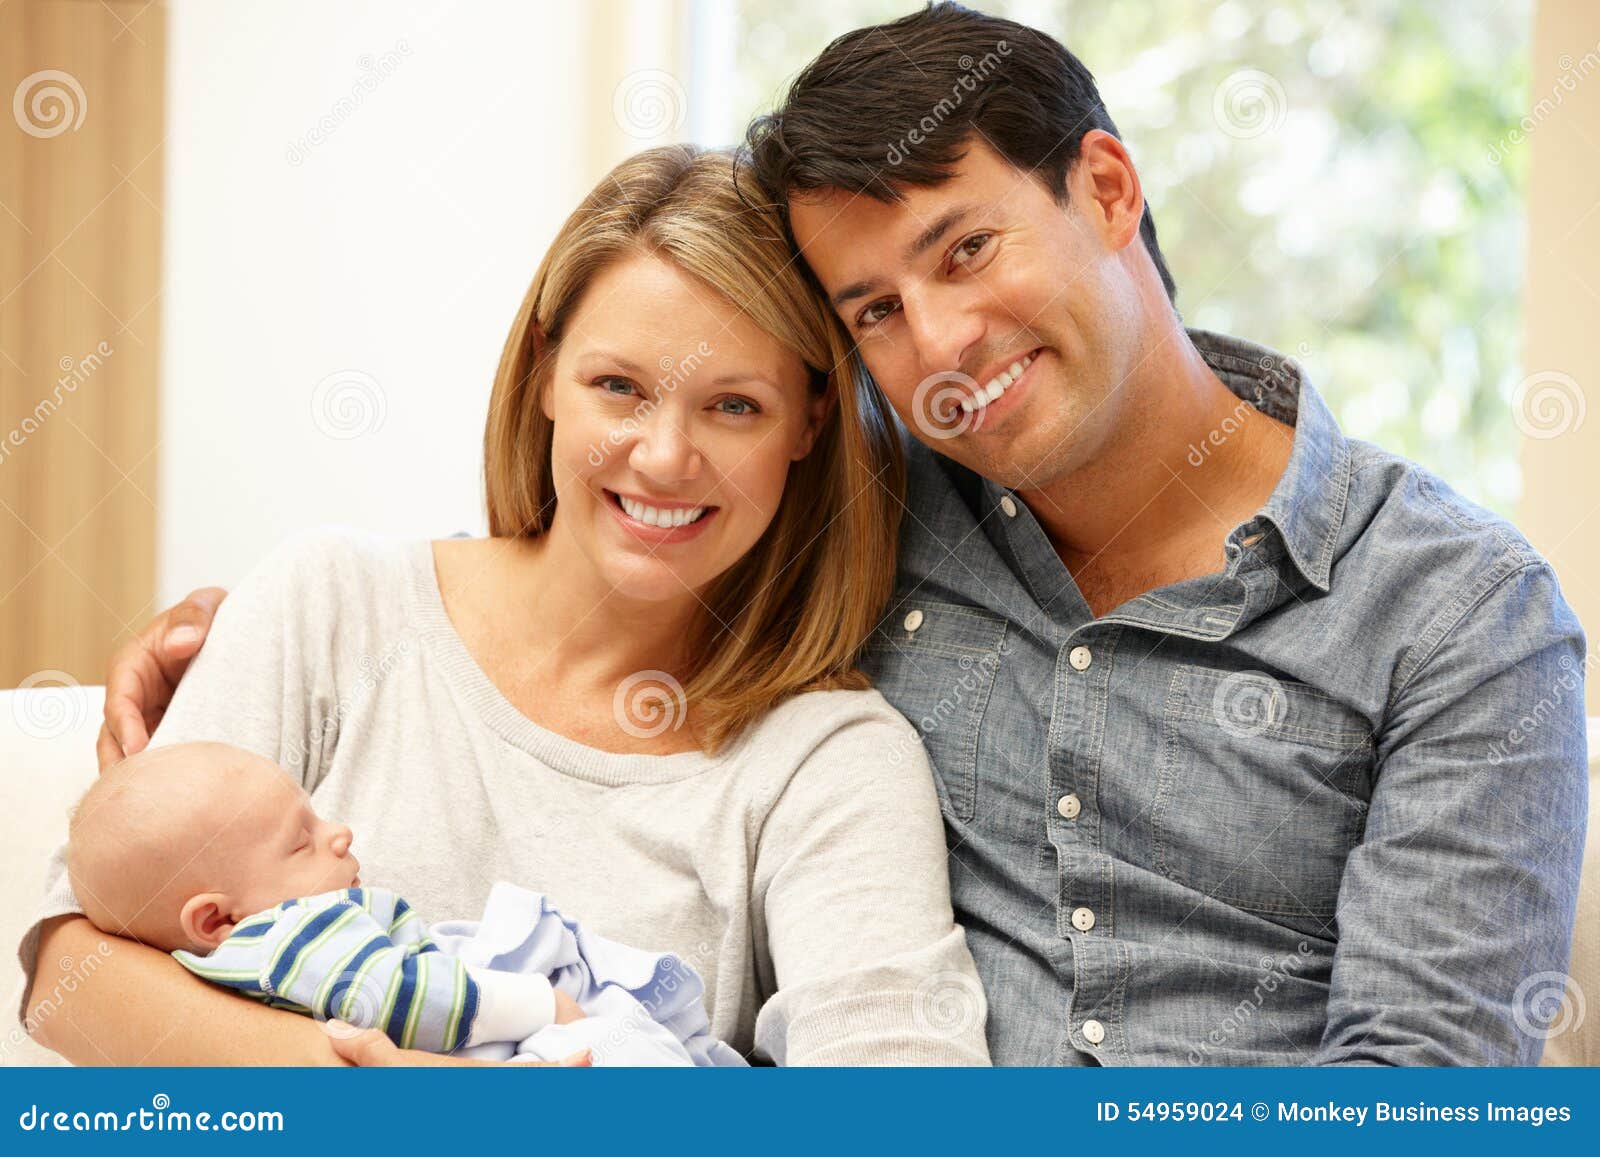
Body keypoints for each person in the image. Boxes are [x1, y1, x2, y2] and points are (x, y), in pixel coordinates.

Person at [72, 3, 1590, 1067]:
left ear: (1110, 188)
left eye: (968, 249)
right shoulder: (880, 511)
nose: (938, 343)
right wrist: (221, 642)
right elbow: (649, 502)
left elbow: (1424, 1093)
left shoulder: (1457, 617)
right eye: (874, 310)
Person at [19, 144, 991, 1068]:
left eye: (734, 404)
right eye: (619, 386)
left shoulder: (829, 760)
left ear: (809, 422)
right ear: (544, 376)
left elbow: (901, 1105)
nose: (663, 455)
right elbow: (73, 970)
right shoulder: (332, 605)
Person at [64, 742, 742, 1066]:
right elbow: (393, 993)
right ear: (217, 918)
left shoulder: (233, 958)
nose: (340, 833)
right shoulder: (284, 939)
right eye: (301, 842)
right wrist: (541, 1003)